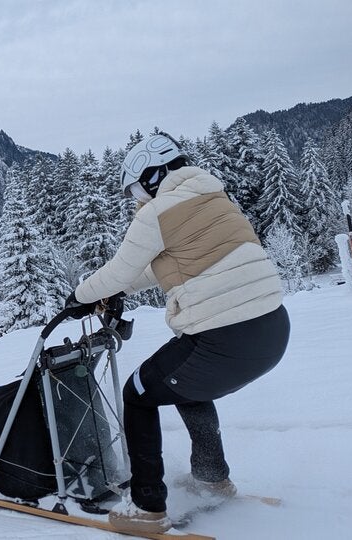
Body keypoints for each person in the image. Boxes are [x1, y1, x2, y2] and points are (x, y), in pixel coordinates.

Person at [65, 133, 290, 534]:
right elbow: (163, 268)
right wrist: (117, 291)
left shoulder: (157, 212)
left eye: (137, 191)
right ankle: (212, 478)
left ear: (151, 177)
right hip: (272, 331)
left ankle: (147, 506)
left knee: (138, 393)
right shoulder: (215, 197)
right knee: (185, 386)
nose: (138, 200)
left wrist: (79, 297)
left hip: (222, 339)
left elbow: (119, 270)